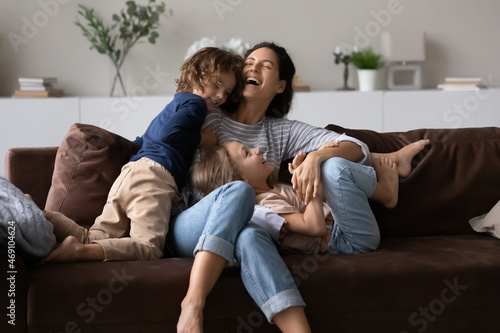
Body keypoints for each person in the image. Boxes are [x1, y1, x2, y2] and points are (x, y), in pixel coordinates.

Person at [42, 47, 245, 263]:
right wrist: (203, 140)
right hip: (155, 177)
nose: (221, 96)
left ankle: (37, 215)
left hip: (130, 173)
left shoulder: (175, 103)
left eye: (227, 92)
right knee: (148, 248)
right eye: (217, 86)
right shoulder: (196, 105)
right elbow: (170, 135)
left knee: (93, 236)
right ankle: (78, 252)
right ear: (197, 77)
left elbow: (143, 140)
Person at [190, 139, 428, 255]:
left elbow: (321, 201)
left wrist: (309, 169)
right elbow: (313, 226)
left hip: (344, 229)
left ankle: (385, 184)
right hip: (347, 244)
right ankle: (386, 192)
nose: (258, 150)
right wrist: (309, 186)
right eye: (247, 153)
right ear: (240, 181)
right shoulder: (262, 206)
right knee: (332, 168)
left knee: (327, 165)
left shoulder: (276, 189)